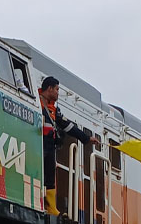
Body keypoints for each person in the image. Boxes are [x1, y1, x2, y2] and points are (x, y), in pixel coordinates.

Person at [38, 76, 100, 216]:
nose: (58, 93)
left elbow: (66, 125)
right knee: (39, 171)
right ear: (50, 88)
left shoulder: (53, 108)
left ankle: (51, 207)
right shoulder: (36, 101)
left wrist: (86, 138)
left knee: (49, 175)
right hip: (38, 143)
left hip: (49, 145)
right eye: (57, 89)